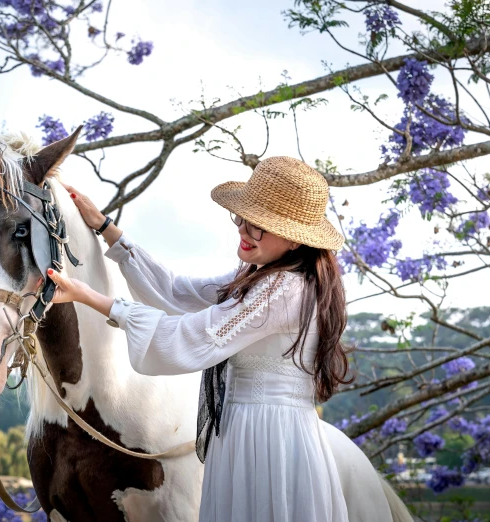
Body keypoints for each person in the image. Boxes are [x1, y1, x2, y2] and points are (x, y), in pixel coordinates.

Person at [47, 156, 355, 521]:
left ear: (293, 240)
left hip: (269, 436)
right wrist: (106, 227)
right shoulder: (259, 275)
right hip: (243, 428)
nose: (243, 230)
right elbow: (177, 293)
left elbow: (191, 337)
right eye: (241, 218)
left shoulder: (283, 288)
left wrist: (89, 297)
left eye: (258, 227)